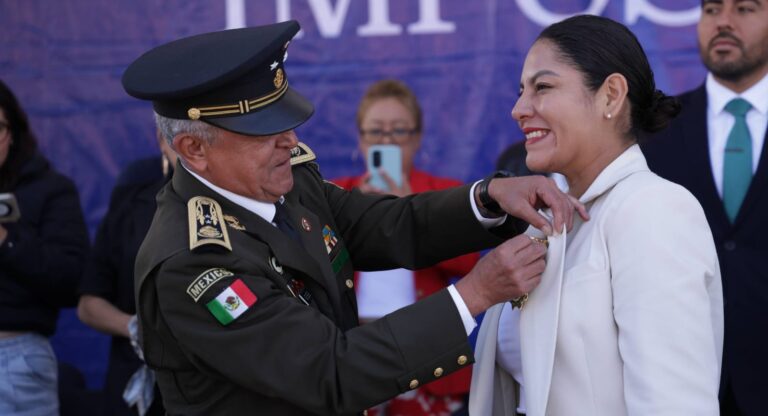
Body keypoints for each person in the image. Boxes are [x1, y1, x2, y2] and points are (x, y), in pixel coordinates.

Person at [121, 20, 586, 415]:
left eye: (285, 119)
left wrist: (488, 197)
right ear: (194, 150)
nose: (289, 139)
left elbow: (387, 224)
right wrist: (474, 295)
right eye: (261, 129)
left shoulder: (288, 181)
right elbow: (329, 368)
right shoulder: (192, 263)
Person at [470, 15, 723, 416]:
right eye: (521, 91)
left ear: (611, 95)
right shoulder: (551, 223)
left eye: (543, 87)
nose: (519, 109)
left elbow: (675, 405)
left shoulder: (652, 209)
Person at [641, 1, 768, 414]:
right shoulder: (651, 129)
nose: (724, 22)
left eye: (746, 8)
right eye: (712, 9)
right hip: (680, 380)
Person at [332, 79, 480, 415]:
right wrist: (364, 215)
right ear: (360, 139)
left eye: (398, 131)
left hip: (426, 351)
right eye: (376, 132)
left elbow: (468, 261)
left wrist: (408, 212)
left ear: (416, 139)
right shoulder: (338, 197)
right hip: (357, 350)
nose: (387, 141)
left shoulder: (442, 194)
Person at [0, 79, 90, 414]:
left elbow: (71, 280)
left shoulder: (49, 190)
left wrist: (6, 240)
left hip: (12, 355)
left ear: (13, 132)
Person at [77, 130, 174, 416]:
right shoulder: (131, 202)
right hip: (136, 382)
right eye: (178, 136)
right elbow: (88, 304)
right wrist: (135, 329)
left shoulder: (236, 207)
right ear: (161, 139)